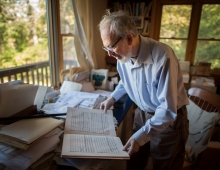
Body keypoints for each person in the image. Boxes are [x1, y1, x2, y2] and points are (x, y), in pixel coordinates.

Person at [98, 9, 189, 170]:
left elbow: (167, 110)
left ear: (128, 38)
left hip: (168, 119)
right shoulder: (122, 55)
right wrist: (112, 98)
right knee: (135, 160)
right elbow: (126, 81)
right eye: (106, 48)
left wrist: (140, 137)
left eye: (111, 47)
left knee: (165, 165)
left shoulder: (163, 57)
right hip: (142, 113)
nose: (110, 54)